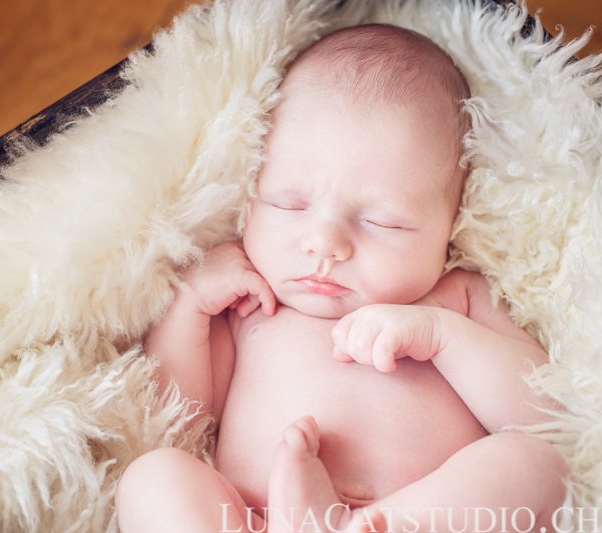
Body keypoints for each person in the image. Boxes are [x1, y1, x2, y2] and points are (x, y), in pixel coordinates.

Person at [115, 24, 568, 533]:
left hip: (424, 518)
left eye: (383, 221)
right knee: (153, 476)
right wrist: (189, 303)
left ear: (452, 222)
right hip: (257, 520)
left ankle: (378, 525)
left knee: (536, 466)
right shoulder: (251, 305)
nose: (325, 241)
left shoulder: (457, 299)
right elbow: (176, 417)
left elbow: (544, 410)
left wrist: (442, 337)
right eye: (290, 203)